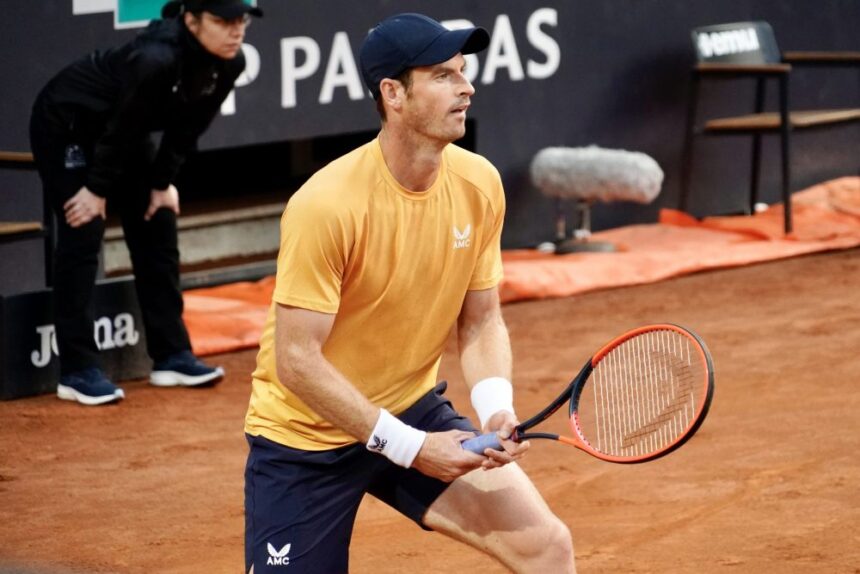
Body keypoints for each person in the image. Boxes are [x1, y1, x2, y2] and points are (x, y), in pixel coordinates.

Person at [243, 12, 575, 573]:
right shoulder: (327, 204)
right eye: (443, 75)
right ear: (393, 94)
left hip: (411, 407)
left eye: (464, 71)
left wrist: (495, 408)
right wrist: (410, 448)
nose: (466, 87)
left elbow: (481, 320)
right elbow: (296, 360)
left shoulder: (479, 183)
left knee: (546, 546)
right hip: (306, 437)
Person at [29, 0, 262, 406]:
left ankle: (171, 355)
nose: (236, 30)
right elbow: (122, 129)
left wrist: (161, 182)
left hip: (123, 133)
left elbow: (188, 128)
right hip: (67, 123)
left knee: (158, 219)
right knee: (83, 227)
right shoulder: (156, 58)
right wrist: (95, 191)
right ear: (191, 20)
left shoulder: (231, 62)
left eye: (241, 20)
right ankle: (78, 370)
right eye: (223, 20)